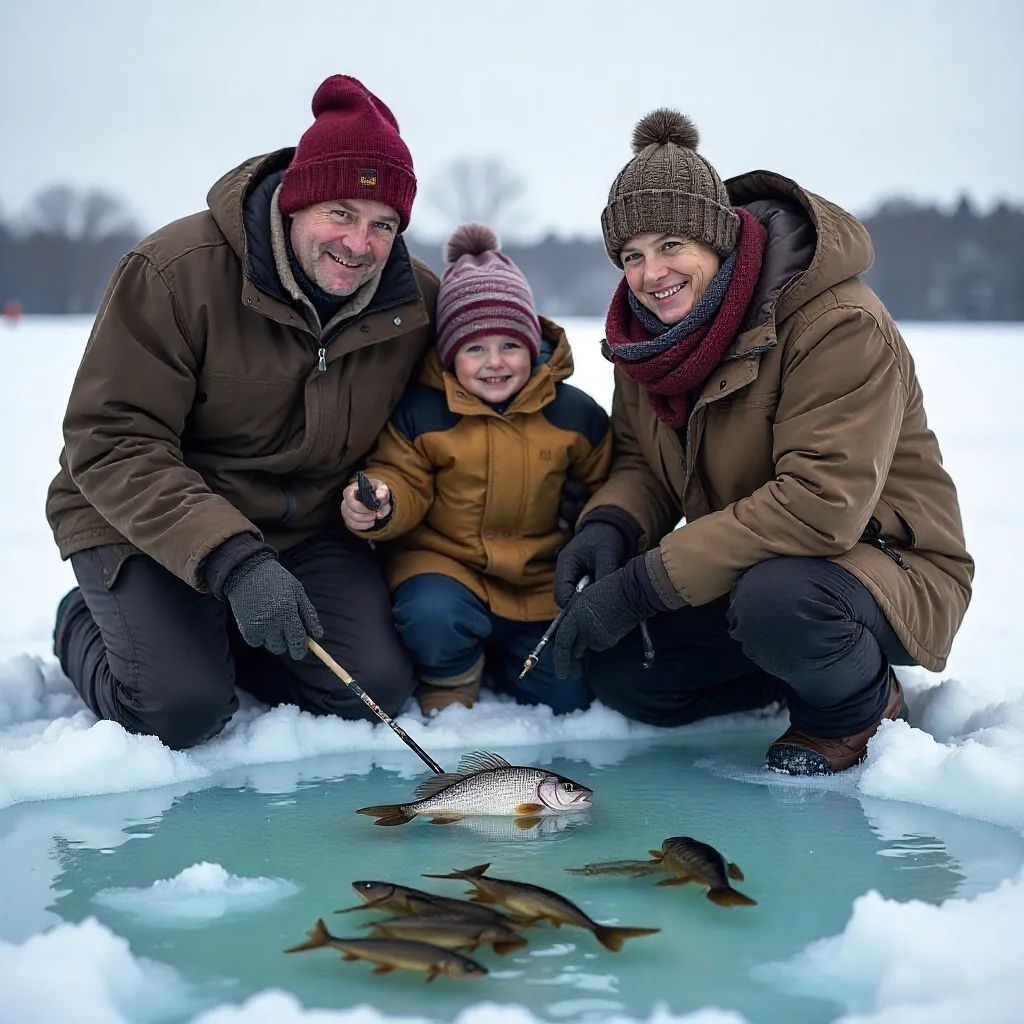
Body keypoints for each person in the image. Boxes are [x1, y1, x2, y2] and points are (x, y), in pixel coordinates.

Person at [551, 109, 974, 775]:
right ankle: (800, 671)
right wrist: (611, 524)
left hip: (879, 566)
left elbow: (820, 504)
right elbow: (643, 462)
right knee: (627, 671)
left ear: (716, 239)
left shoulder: (837, 324)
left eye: (670, 246)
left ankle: (856, 709)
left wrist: (642, 585)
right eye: (631, 255)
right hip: (752, 564)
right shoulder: (649, 342)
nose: (650, 273)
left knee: (781, 605)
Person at [45, 75, 440, 750]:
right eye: (339, 213)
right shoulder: (175, 272)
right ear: (294, 202)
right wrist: (234, 562)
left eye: (383, 225)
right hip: (142, 521)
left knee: (371, 689)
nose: (359, 243)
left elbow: (462, 399)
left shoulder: (413, 301)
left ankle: (216, 632)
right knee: (182, 709)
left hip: (303, 528)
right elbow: (111, 439)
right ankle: (89, 620)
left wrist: (379, 492)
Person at [342, 224, 611, 715]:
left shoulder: (575, 415)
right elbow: (402, 477)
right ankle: (451, 678)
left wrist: (592, 523)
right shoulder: (422, 413)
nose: (494, 363)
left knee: (568, 694)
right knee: (432, 614)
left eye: (509, 346)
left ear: (533, 345)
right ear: (449, 354)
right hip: (448, 567)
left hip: (537, 580)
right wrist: (384, 500)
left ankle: (515, 667)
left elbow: (604, 484)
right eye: (474, 348)